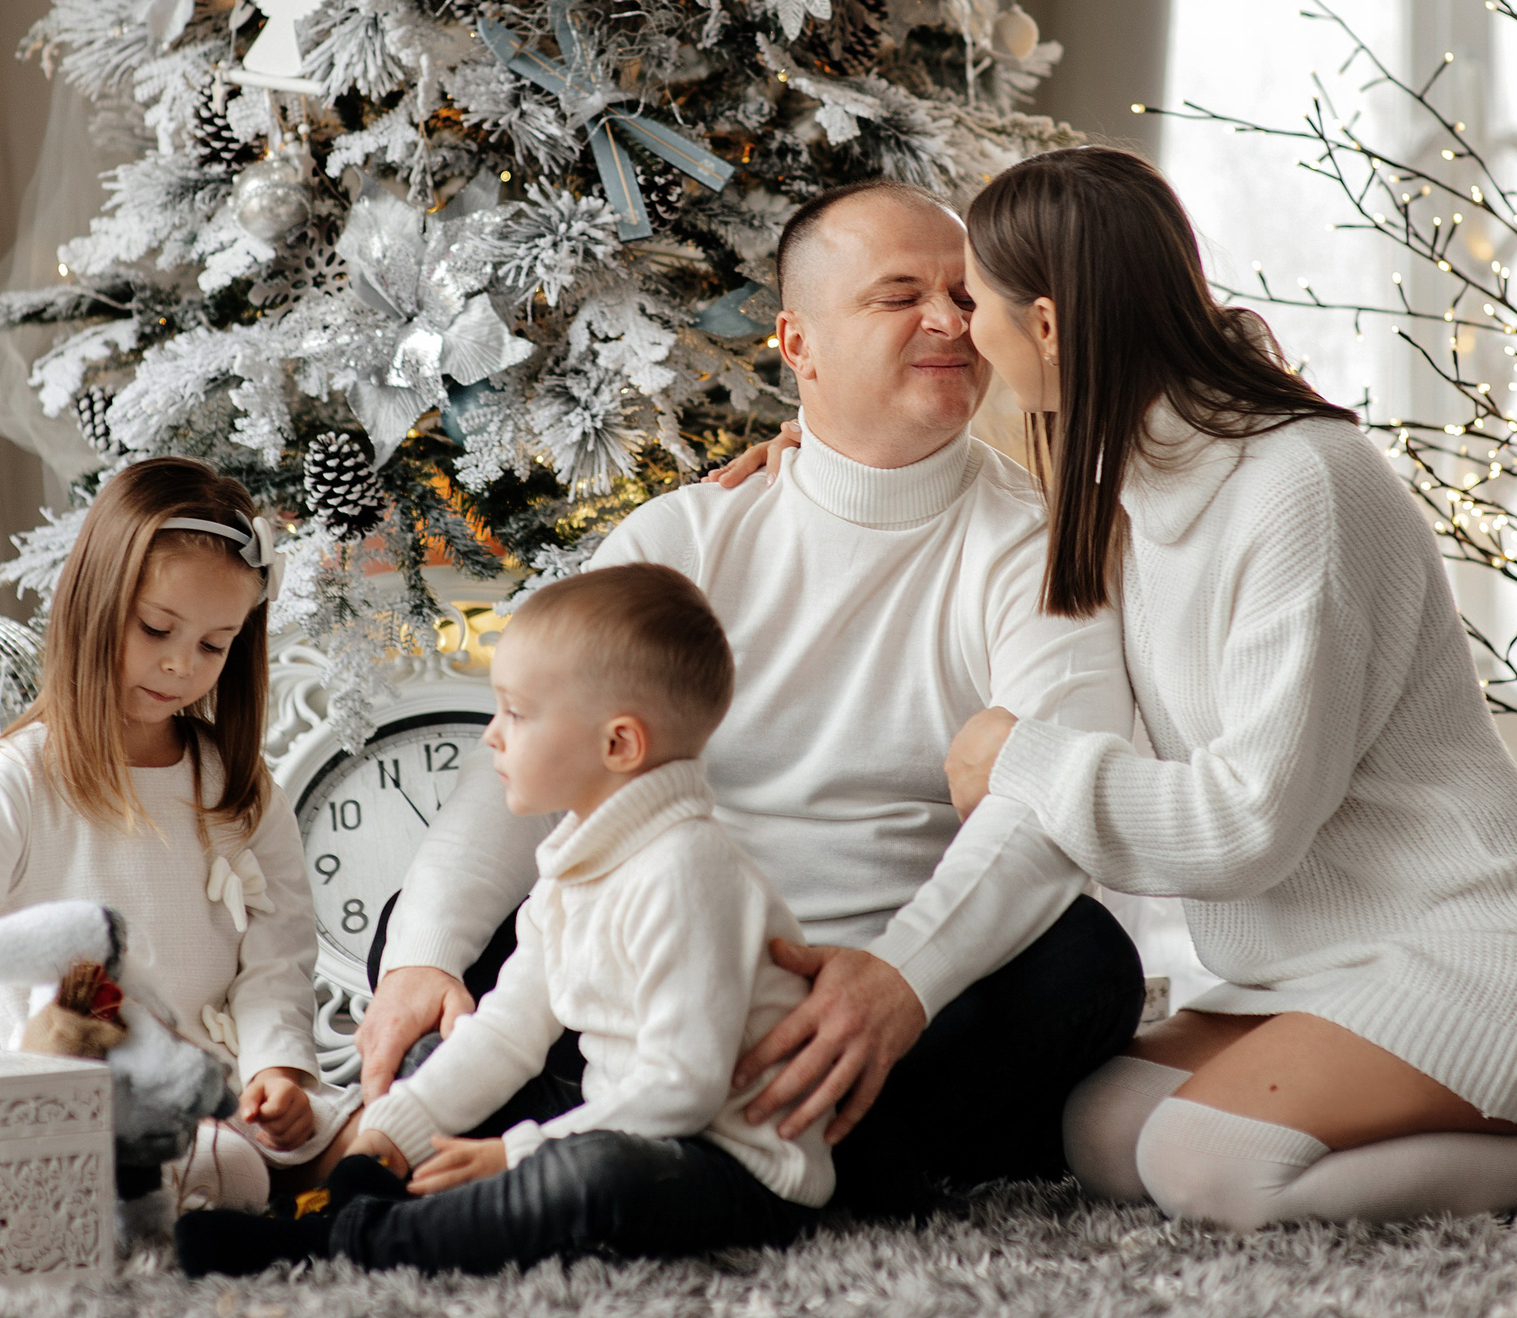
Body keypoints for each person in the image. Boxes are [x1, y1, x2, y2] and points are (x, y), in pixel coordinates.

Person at [928, 145, 1517, 1226]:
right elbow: (963, 513)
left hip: (1494, 957)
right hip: (1315, 968)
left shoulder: (1298, 484)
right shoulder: (1129, 493)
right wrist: (802, 461)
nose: (960, 331)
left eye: (972, 304)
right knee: (1103, 1129)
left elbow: (1248, 825)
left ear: (1050, 328)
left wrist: (1017, 754)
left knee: (1213, 1169)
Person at [359, 181, 1144, 1212]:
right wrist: (420, 960)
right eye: (898, 294)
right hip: (662, 969)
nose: (951, 321)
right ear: (798, 344)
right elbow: (531, 754)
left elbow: (1050, 809)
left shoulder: (1041, 542)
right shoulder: (689, 534)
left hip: (871, 998)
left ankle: (670, 1145)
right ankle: (701, 1147)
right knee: (420, 933)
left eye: (964, 294)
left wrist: (900, 982)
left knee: (1087, 967)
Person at [177, 564, 829, 1276]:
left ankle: (346, 1244)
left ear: (618, 746)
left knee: (590, 1176)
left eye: (516, 713)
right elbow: (509, 1032)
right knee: (441, 1059)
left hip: (729, 1161)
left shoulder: (688, 871)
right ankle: (357, 1193)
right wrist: (392, 1132)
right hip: (614, 1111)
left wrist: (513, 1156)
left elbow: (684, 1088)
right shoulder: (574, 865)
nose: (491, 736)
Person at [0, 456, 360, 1218]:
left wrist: (282, 1070)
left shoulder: (239, 786)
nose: (182, 664)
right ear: (96, 602)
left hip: (228, 1093)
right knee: (209, 1172)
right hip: (91, 1105)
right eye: (156, 628)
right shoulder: (18, 781)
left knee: (396, 1137)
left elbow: (276, 961)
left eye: (215, 645)